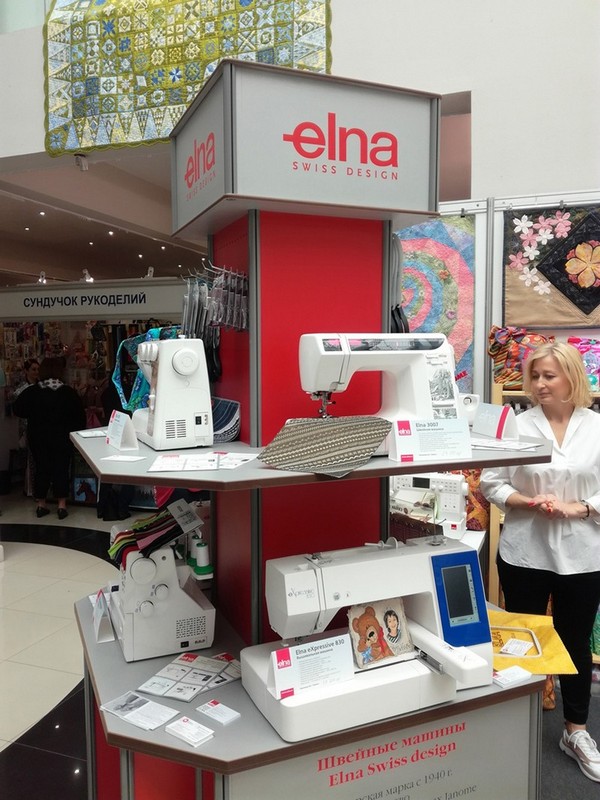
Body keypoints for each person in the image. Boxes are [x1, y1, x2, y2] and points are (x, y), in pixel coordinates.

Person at [481, 341, 600, 783]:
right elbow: (492, 482)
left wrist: (581, 508)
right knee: (521, 641)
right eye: (535, 376)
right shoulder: (515, 424)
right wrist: (525, 501)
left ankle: (576, 731)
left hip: (584, 555)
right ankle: (518, 726)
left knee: (574, 642)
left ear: (572, 377)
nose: (539, 384)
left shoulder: (597, 427)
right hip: (525, 552)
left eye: (549, 375)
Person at [12, 357, 86, 519]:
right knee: (61, 468)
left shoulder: (32, 391)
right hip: (62, 437)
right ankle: (61, 505)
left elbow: (17, 409)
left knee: (41, 468)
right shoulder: (68, 393)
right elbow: (80, 417)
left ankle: (41, 504)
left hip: (38, 437)